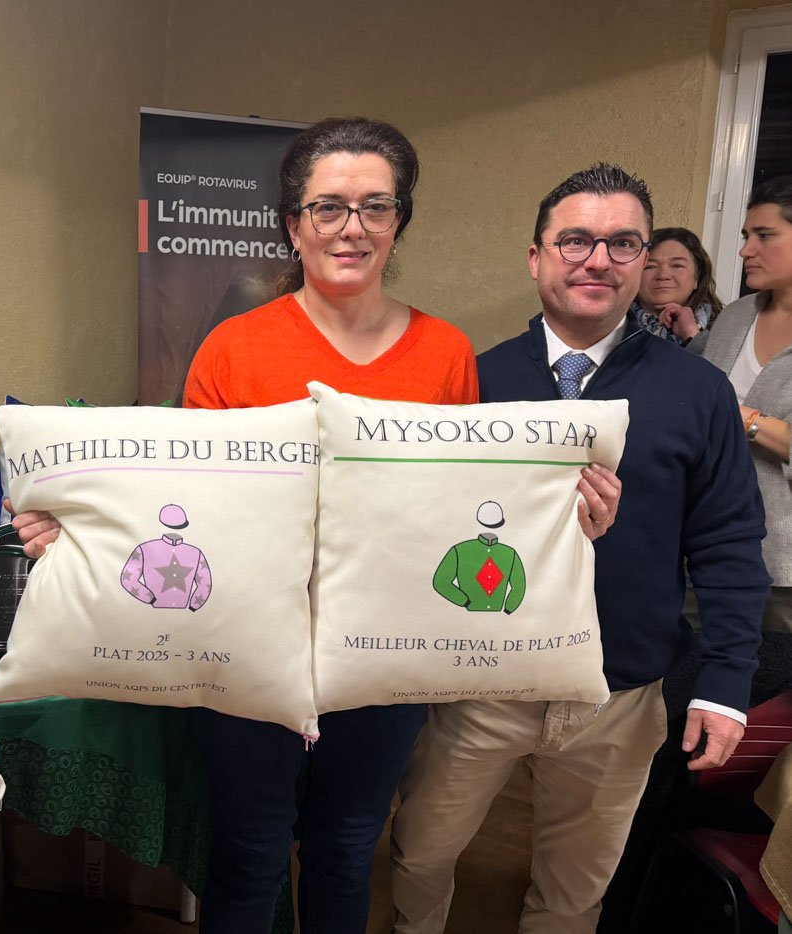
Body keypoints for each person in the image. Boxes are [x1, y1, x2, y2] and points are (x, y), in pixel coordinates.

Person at [178, 118, 619, 934]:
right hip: (250, 642)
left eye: (375, 207)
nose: (351, 227)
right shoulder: (232, 350)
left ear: (398, 222)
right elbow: (186, 502)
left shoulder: (443, 353)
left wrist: (567, 515)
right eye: (328, 207)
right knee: (249, 852)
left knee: (347, 847)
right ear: (293, 224)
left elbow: (466, 504)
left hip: (388, 649)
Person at [390, 164, 769, 934]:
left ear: (643, 261)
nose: (598, 259)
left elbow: (729, 540)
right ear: (536, 257)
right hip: (480, 684)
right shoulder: (473, 382)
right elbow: (418, 526)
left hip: (619, 695)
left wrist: (727, 682)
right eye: (575, 241)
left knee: (574, 892)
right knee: (419, 854)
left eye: (622, 243)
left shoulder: (697, 393)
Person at [692, 176, 792, 635]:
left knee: (774, 674)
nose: (745, 250)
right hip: (707, 546)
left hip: (782, 567)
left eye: (764, 236)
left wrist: (743, 418)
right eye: (746, 235)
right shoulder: (735, 317)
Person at [633, 227, 722, 344]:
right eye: (650, 266)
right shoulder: (614, 325)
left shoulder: (726, 330)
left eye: (677, 265)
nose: (663, 275)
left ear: (697, 277)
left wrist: (692, 336)